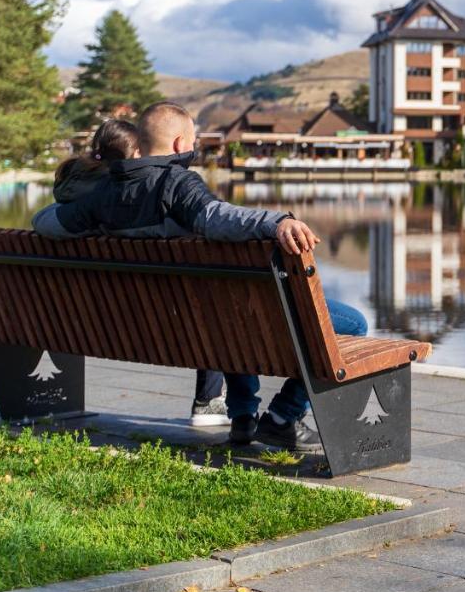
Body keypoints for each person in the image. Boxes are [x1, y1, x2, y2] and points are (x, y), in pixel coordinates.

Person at [32, 102, 364, 453]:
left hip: (155, 327)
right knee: (352, 324)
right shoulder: (175, 182)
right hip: (205, 321)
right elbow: (214, 216)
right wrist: (275, 222)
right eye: (192, 140)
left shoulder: (106, 193)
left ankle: (243, 418)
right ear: (179, 145)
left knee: (225, 317)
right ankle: (284, 416)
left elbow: (45, 221)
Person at [52, 119, 230, 428]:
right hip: (171, 324)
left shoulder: (74, 204)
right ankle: (208, 401)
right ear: (136, 153)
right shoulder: (141, 197)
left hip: (90, 321)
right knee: (216, 307)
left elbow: (43, 222)